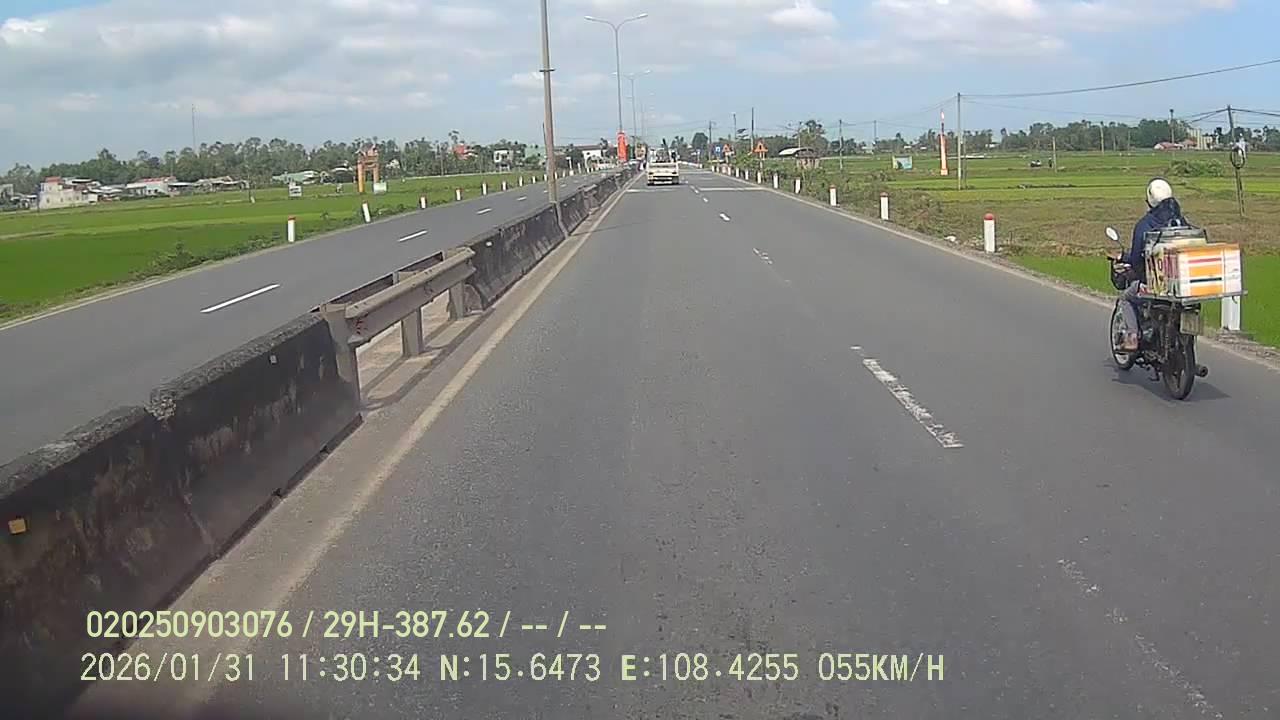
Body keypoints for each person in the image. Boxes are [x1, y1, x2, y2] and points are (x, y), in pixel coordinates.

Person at [1117, 178, 1190, 350]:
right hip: (1182, 283)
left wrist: (1130, 264)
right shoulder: (1182, 222)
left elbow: (1136, 259)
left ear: (1149, 200)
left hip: (1156, 283)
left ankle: (1132, 337)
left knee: (1126, 298)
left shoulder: (1144, 225)